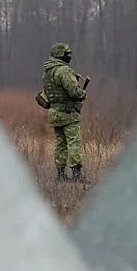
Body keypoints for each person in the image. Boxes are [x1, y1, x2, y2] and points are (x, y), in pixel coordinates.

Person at [41, 42, 87, 182]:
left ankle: (60, 175)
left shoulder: (47, 71)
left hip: (54, 112)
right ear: (61, 55)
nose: (69, 57)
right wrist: (82, 93)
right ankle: (77, 175)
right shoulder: (64, 70)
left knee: (60, 143)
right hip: (67, 113)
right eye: (68, 54)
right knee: (74, 142)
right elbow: (74, 91)